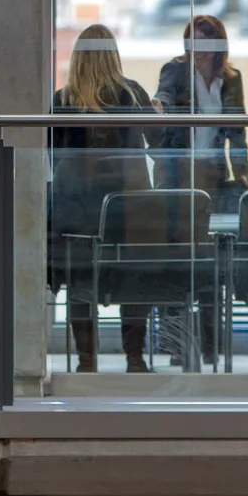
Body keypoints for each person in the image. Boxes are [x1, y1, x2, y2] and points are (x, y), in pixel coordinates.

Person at [151, 13, 248, 368]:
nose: (196, 50)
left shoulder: (232, 79)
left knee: (209, 263)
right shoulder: (176, 71)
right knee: (175, 261)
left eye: (204, 43)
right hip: (176, 175)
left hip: (211, 175)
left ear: (218, 47)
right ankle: (175, 343)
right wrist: (160, 107)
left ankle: (212, 345)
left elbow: (236, 130)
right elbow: (164, 96)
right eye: (191, 42)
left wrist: (243, 171)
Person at [50, 24, 159, 373]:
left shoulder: (61, 101)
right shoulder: (133, 95)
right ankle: (135, 358)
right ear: (113, 55)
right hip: (130, 209)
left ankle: (86, 361)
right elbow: (158, 142)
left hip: (78, 213)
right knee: (133, 282)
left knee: (81, 284)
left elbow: (54, 158)